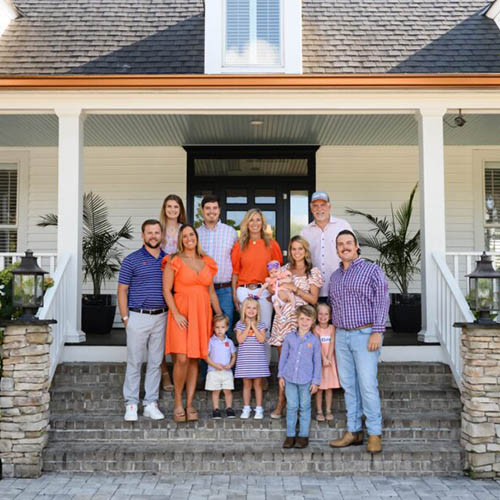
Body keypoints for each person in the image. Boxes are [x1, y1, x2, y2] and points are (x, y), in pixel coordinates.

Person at [328, 230, 389, 454]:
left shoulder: (372, 270)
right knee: (349, 387)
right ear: (336, 250)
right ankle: (353, 431)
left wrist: (377, 331)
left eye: (348, 243)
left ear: (356, 247)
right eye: (340, 244)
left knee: (367, 385)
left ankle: (374, 433)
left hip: (365, 335)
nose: (344, 247)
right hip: (342, 336)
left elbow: (382, 301)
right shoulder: (334, 277)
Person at [162, 224, 222, 423]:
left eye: (191, 235)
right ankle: (177, 401)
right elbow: (166, 291)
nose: (189, 238)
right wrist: (176, 313)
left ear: (196, 237)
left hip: (202, 313)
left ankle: (190, 403)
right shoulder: (174, 260)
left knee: (195, 358)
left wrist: (219, 315)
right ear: (181, 239)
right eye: (185, 236)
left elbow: (211, 292)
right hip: (181, 314)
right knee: (181, 358)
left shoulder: (207, 262)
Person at [118, 219, 168, 422]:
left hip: (162, 317)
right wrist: (125, 318)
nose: (153, 236)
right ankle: (131, 404)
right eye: (150, 232)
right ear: (143, 235)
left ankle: (150, 403)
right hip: (137, 316)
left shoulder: (168, 260)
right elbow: (122, 290)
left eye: (157, 232)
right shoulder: (132, 260)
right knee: (135, 362)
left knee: (156, 362)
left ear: (161, 235)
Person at [269, 235, 323, 419]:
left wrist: (294, 288)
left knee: (303, 363)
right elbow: (273, 289)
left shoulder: (313, 272)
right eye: (293, 249)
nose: (297, 252)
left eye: (300, 248)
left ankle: (302, 405)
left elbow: (314, 299)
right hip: (283, 319)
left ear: (305, 251)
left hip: (302, 322)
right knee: (284, 364)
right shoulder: (283, 269)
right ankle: (281, 403)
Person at [231, 208, 283, 332]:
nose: (255, 223)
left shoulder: (272, 244)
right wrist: (234, 295)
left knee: (264, 329)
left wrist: (274, 292)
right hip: (244, 291)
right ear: (247, 224)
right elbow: (235, 272)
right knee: (246, 329)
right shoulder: (239, 245)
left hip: (265, 291)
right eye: (251, 220)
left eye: (258, 220)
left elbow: (278, 273)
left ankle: (265, 352)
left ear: (262, 223)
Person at [278, 305, 321, 449]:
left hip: (306, 380)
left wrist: (316, 381)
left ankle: (303, 436)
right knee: (291, 406)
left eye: (307, 319)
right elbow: (283, 358)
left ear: (313, 321)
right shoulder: (289, 338)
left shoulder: (314, 341)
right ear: (297, 320)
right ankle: (290, 435)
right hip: (289, 378)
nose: (304, 322)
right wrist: (281, 375)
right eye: (301, 318)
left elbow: (317, 362)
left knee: (304, 406)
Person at [300, 191, 352, 301]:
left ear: (329, 206)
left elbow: (354, 255)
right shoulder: (305, 232)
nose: (319, 209)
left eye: (323, 205)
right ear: (311, 208)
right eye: (315, 206)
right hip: (314, 292)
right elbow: (300, 261)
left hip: (341, 289)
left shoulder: (343, 226)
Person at [158, 194, 187, 391]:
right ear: (164, 208)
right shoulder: (158, 229)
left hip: (179, 282)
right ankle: (165, 374)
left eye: (176, 207)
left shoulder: (184, 230)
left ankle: (178, 370)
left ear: (180, 210)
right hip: (159, 278)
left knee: (178, 329)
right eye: (169, 206)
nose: (172, 210)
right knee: (159, 331)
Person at [197, 194, 238, 331]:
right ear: (202, 210)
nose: (211, 211)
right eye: (207, 208)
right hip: (202, 290)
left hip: (225, 290)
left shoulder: (230, 232)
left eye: (215, 208)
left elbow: (237, 261)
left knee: (225, 329)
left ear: (219, 210)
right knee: (203, 329)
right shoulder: (195, 234)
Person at [234, 298, 270, 420]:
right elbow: (240, 340)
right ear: (244, 310)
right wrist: (247, 326)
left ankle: (259, 408)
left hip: (257, 360)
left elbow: (261, 339)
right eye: (248, 308)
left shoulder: (262, 325)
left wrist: (253, 327)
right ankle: (246, 407)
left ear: (258, 311)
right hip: (245, 360)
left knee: (258, 384)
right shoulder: (239, 324)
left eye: (254, 308)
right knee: (247, 384)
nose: (251, 310)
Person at [205, 314, 237, 419]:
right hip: (214, 371)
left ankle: (229, 408)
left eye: (222, 327)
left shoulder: (229, 342)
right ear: (213, 328)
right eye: (217, 327)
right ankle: (216, 409)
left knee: (227, 390)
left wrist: (230, 365)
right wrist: (215, 365)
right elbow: (206, 356)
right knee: (216, 391)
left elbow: (233, 355)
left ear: (227, 328)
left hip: (226, 371)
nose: (219, 330)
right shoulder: (210, 341)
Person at [314, 303, 340, 422]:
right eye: (320, 314)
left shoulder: (332, 328)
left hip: (330, 361)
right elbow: (317, 344)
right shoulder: (315, 329)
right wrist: (323, 358)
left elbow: (332, 342)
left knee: (329, 388)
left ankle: (328, 410)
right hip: (320, 361)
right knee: (319, 388)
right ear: (316, 315)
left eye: (326, 314)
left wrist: (329, 358)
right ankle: (319, 411)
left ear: (330, 316)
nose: (323, 316)